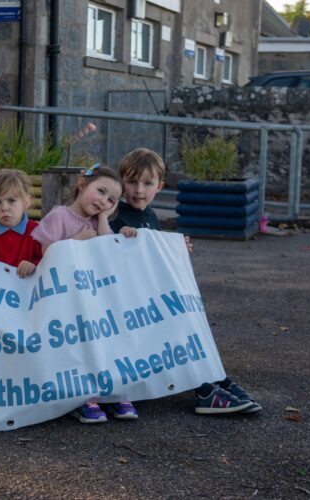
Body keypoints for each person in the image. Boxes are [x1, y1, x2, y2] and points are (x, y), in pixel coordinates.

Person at [109, 147, 262, 415]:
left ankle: (216, 378)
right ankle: (204, 390)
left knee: (191, 321)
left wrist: (176, 250)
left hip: (148, 297)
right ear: (121, 182)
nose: (138, 190)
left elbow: (153, 256)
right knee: (179, 326)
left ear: (160, 186)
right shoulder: (116, 216)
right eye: (132, 182)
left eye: (147, 183)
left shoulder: (150, 216)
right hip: (129, 304)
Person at [32, 164, 139, 424]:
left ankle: (111, 392)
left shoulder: (98, 222)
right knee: (76, 346)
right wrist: (77, 241)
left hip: (93, 298)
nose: (103, 201)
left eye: (111, 200)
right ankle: (81, 397)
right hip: (65, 298)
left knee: (101, 342)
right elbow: (46, 254)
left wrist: (104, 219)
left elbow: (108, 251)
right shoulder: (59, 216)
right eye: (100, 191)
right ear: (82, 184)